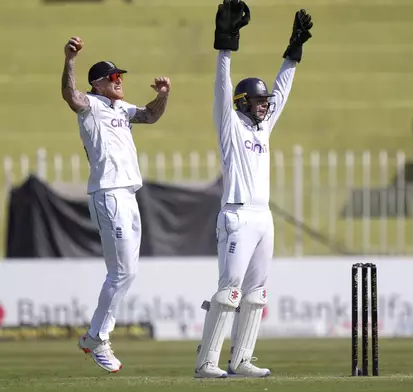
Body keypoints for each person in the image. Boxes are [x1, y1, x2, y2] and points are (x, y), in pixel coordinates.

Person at [193, 0, 313, 379]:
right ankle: (206, 363)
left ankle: (241, 359)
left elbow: (283, 89)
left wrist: (293, 54)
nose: (266, 106)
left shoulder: (263, 127)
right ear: (243, 103)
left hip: (263, 216)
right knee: (229, 291)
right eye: (259, 101)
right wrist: (226, 44)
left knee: (256, 293)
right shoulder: (231, 127)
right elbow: (220, 88)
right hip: (237, 215)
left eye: (265, 101)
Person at [61, 36, 171, 372]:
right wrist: (70, 60)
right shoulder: (90, 105)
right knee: (121, 272)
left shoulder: (121, 108)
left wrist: (162, 97)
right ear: (98, 84)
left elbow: (150, 116)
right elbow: (70, 94)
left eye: (120, 76)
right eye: (113, 78)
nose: (119, 80)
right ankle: (97, 338)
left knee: (129, 271)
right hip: (108, 193)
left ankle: (95, 336)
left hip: (128, 194)